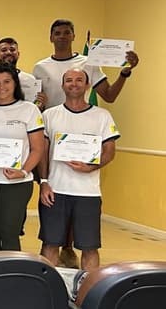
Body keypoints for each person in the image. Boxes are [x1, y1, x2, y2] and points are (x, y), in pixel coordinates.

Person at [39, 68, 119, 271]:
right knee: (50, 243)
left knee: (89, 247)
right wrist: (44, 182)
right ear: (62, 85)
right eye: (69, 80)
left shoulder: (102, 116)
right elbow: (43, 152)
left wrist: (92, 166)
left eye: (79, 80)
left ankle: (89, 293)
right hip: (55, 191)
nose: (74, 84)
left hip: (88, 193)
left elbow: (109, 151)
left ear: (87, 85)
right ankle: (48, 291)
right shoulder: (49, 115)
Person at [0, 64, 45, 252]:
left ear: (15, 83)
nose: (1, 87)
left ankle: (10, 278)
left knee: (10, 233)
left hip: (17, 183)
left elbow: (38, 149)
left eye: (6, 81)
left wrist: (23, 171)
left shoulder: (29, 110)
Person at [32, 19, 139, 109]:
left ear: (73, 36)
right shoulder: (40, 68)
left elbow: (109, 96)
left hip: (82, 124)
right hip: (51, 126)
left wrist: (124, 74)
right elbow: (36, 102)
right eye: (57, 33)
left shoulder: (89, 63)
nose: (62, 36)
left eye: (67, 33)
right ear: (51, 38)